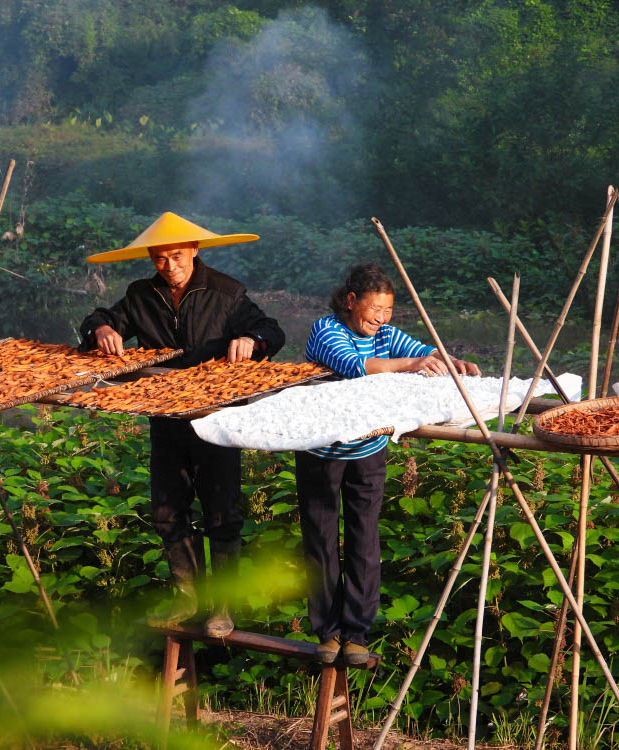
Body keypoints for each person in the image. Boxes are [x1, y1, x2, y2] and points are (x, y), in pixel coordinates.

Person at [78, 212, 285, 637]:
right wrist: (100, 329)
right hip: (167, 418)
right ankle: (187, 598)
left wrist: (250, 341)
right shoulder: (141, 295)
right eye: (159, 259)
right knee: (168, 511)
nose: (169, 267)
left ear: (193, 252)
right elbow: (98, 320)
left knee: (222, 512)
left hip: (216, 418)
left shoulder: (226, 293)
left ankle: (222, 606)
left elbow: (270, 331)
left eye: (176, 256)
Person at [296, 263, 480, 664]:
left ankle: (357, 632)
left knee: (364, 537)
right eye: (374, 308)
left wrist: (450, 362)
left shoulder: (385, 334)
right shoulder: (327, 331)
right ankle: (327, 632)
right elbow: (355, 367)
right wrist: (408, 366)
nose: (381, 318)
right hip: (321, 451)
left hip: (368, 450)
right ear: (351, 302)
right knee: (322, 538)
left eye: (388, 311)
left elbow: (422, 352)